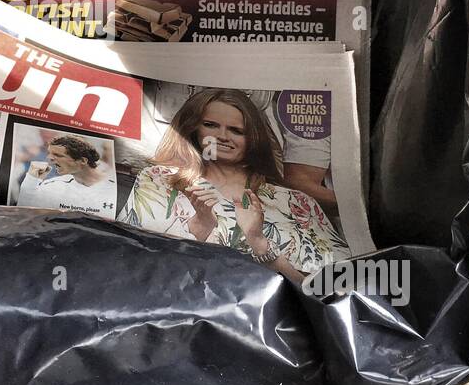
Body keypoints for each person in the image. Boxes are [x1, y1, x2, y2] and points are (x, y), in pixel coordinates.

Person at [117, 88, 347, 280]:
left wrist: (260, 245)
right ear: (193, 128)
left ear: (253, 138)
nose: (223, 136)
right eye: (211, 125)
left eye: (236, 130)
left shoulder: (296, 203)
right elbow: (127, 263)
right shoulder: (158, 180)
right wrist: (199, 230)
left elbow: (332, 290)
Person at [16, 134, 117, 217]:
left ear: (82, 161)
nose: (49, 158)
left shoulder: (115, 186)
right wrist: (31, 180)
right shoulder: (53, 185)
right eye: (49, 153)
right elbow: (23, 215)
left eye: (58, 155)